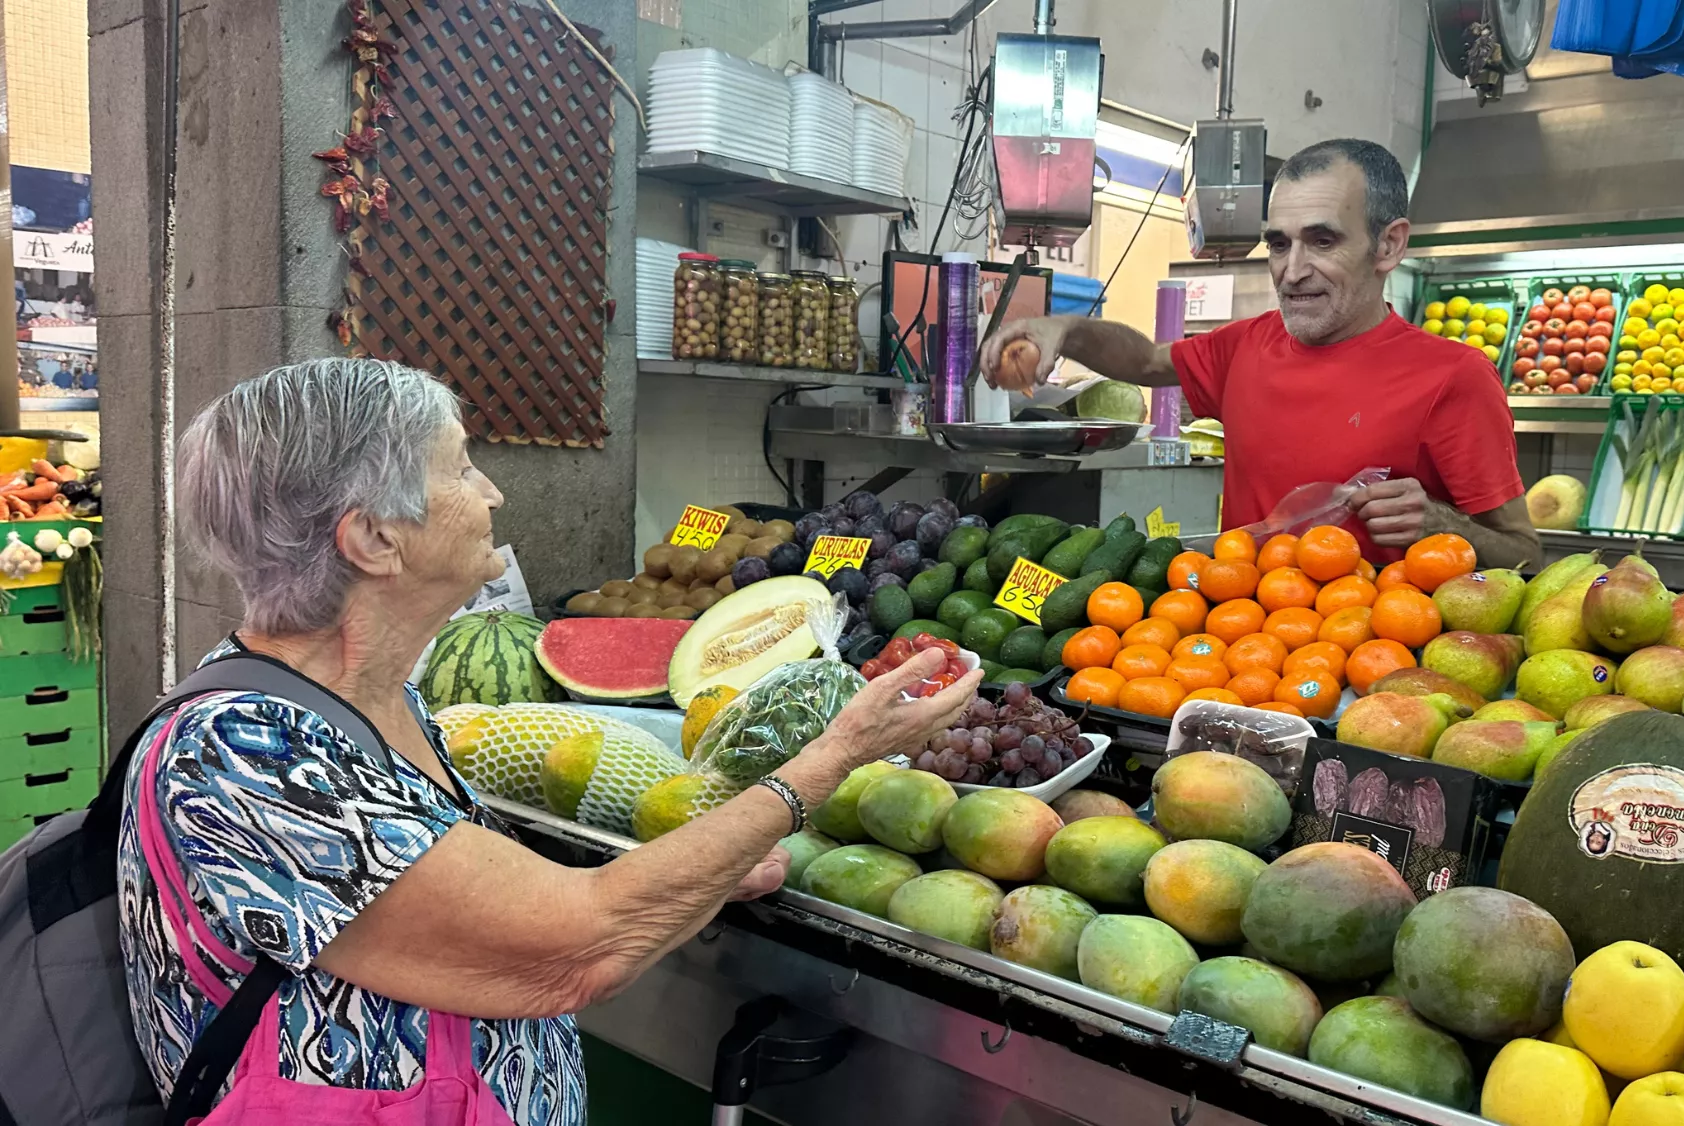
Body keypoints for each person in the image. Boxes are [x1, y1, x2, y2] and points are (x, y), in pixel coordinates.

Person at [121, 357, 979, 1124]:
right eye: (460, 467)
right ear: (375, 538)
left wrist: (710, 864)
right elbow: (578, 948)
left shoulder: (373, 701)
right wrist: (828, 759)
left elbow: (486, 922)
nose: (492, 492)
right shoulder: (244, 752)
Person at [981, 138, 1539, 569]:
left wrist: (1444, 524)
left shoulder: (1453, 377)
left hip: (1380, 679)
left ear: (1388, 245)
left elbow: (1525, 556)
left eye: (1323, 241)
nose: (1292, 272)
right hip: (1244, 654)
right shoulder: (1247, 344)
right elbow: (1146, 361)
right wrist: (1066, 329)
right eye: (1278, 243)